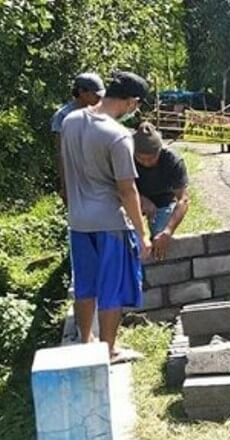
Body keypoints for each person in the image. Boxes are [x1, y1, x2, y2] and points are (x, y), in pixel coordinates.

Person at [60, 72, 151, 362]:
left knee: (85, 285)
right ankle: (109, 349)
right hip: (110, 223)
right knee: (111, 287)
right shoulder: (118, 136)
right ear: (131, 102)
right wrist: (141, 232)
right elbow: (127, 190)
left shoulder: (70, 121)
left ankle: (86, 342)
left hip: (78, 220)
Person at [133, 122, 190, 261]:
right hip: (132, 197)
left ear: (159, 150)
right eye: (141, 159)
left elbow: (183, 199)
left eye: (151, 158)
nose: (146, 163)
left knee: (160, 240)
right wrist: (141, 200)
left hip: (163, 198)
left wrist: (168, 232)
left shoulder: (173, 160)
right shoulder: (125, 156)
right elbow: (114, 187)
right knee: (131, 241)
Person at [52, 73, 106, 200]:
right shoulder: (63, 116)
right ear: (82, 92)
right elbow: (61, 153)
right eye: (95, 94)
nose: (99, 99)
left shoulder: (98, 112)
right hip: (75, 174)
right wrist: (65, 185)